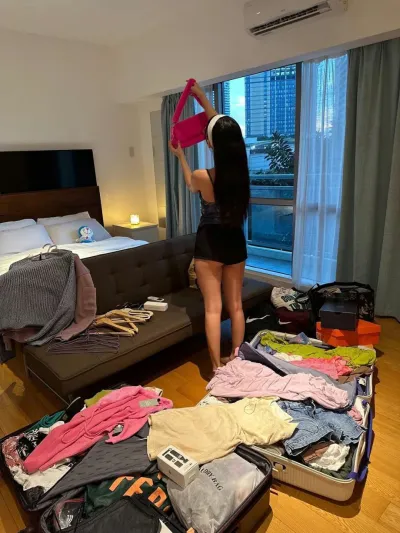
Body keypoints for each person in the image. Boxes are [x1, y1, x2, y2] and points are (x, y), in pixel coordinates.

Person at [169, 82, 250, 372]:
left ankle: (216, 366)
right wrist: (203, 99)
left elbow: (190, 184)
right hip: (235, 241)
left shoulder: (203, 176)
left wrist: (180, 156)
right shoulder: (243, 173)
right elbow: (223, 129)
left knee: (213, 308)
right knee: (236, 305)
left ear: (212, 144)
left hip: (209, 244)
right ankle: (236, 359)